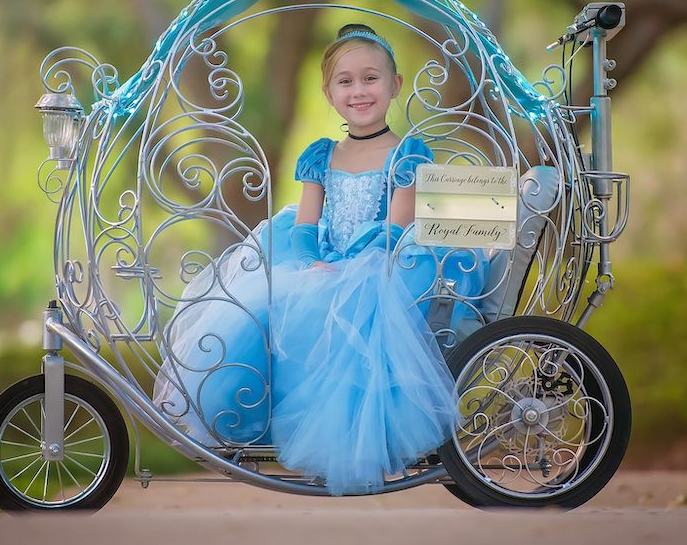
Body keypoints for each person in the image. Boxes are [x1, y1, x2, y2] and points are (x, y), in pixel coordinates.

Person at [153, 24, 476, 495]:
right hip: (322, 259)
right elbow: (305, 225)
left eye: (370, 78)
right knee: (267, 305)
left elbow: (397, 225)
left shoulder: (407, 153)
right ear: (328, 93)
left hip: (380, 263)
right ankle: (270, 427)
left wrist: (349, 265)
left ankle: (347, 444)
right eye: (345, 81)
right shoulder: (321, 156)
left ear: (395, 85)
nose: (358, 91)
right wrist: (310, 263)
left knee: (352, 313)